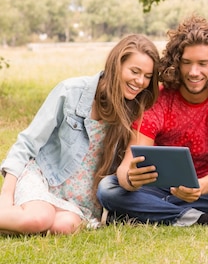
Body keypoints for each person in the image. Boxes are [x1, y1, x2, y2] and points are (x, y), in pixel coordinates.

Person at [97, 16, 208, 229]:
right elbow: (128, 162)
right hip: (158, 186)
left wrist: (199, 188)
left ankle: (141, 212)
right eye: (187, 63)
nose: (194, 72)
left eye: (203, 64)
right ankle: (207, 220)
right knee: (108, 188)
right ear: (177, 62)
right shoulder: (157, 100)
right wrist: (129, 178)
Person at [0, 35, 160, 234]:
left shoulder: (135, 111)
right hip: (45, 179)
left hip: (81, 202)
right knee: (39, 219)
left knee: (63, 226)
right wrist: (6, 196)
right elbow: (28, 142)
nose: (140, 81)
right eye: (135, 71)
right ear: (115, 65)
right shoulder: (71, 91)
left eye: (147, 76)